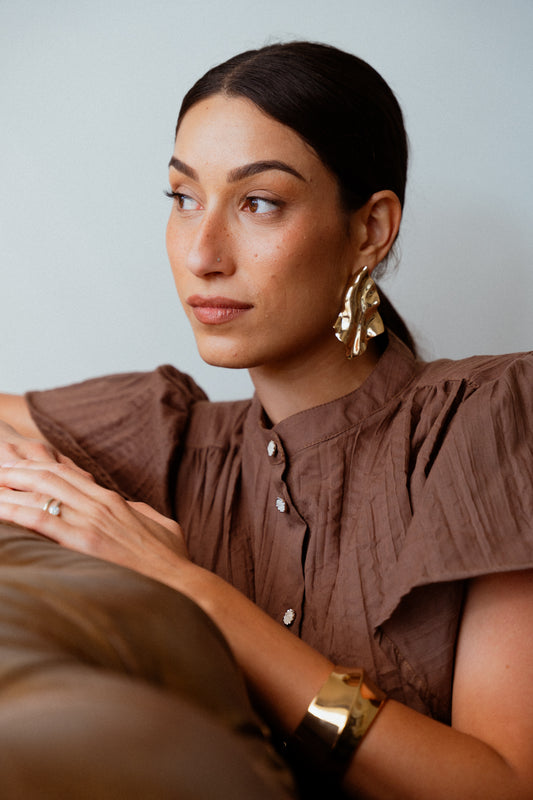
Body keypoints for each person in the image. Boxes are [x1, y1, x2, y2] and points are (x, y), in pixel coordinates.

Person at [0, 41, 532, 799]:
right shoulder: (167, 440)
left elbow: (502, 785)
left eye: (259, 202)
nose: (203, 254)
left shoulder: (487, 419)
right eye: (183, 197)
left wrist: (192, 590)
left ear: (370, 230)